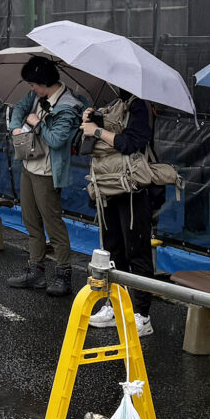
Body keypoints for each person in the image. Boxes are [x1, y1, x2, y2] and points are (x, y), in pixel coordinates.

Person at [81, 88, 156, 337]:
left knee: (137, 250)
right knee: (112, 249)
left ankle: (142, 314)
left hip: (133, 187)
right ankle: (116, 306)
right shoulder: (113, 104)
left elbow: (131, 143)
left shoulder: (140, 106)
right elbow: (84, 144)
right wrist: (90, 120)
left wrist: (98, 131)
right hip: (107, 184)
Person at [6, 57, 84, 296]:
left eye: (33, 84)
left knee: (53, 223)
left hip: (47, 173)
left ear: (43, 82)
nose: (31, 89)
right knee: (30, 220)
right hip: (29, 165)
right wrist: (16, 126)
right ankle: (35, 270)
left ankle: (63, 274)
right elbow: (20, 108)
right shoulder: (36, 96)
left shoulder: (68, 107)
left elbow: (56, 140)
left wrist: (37, 123)